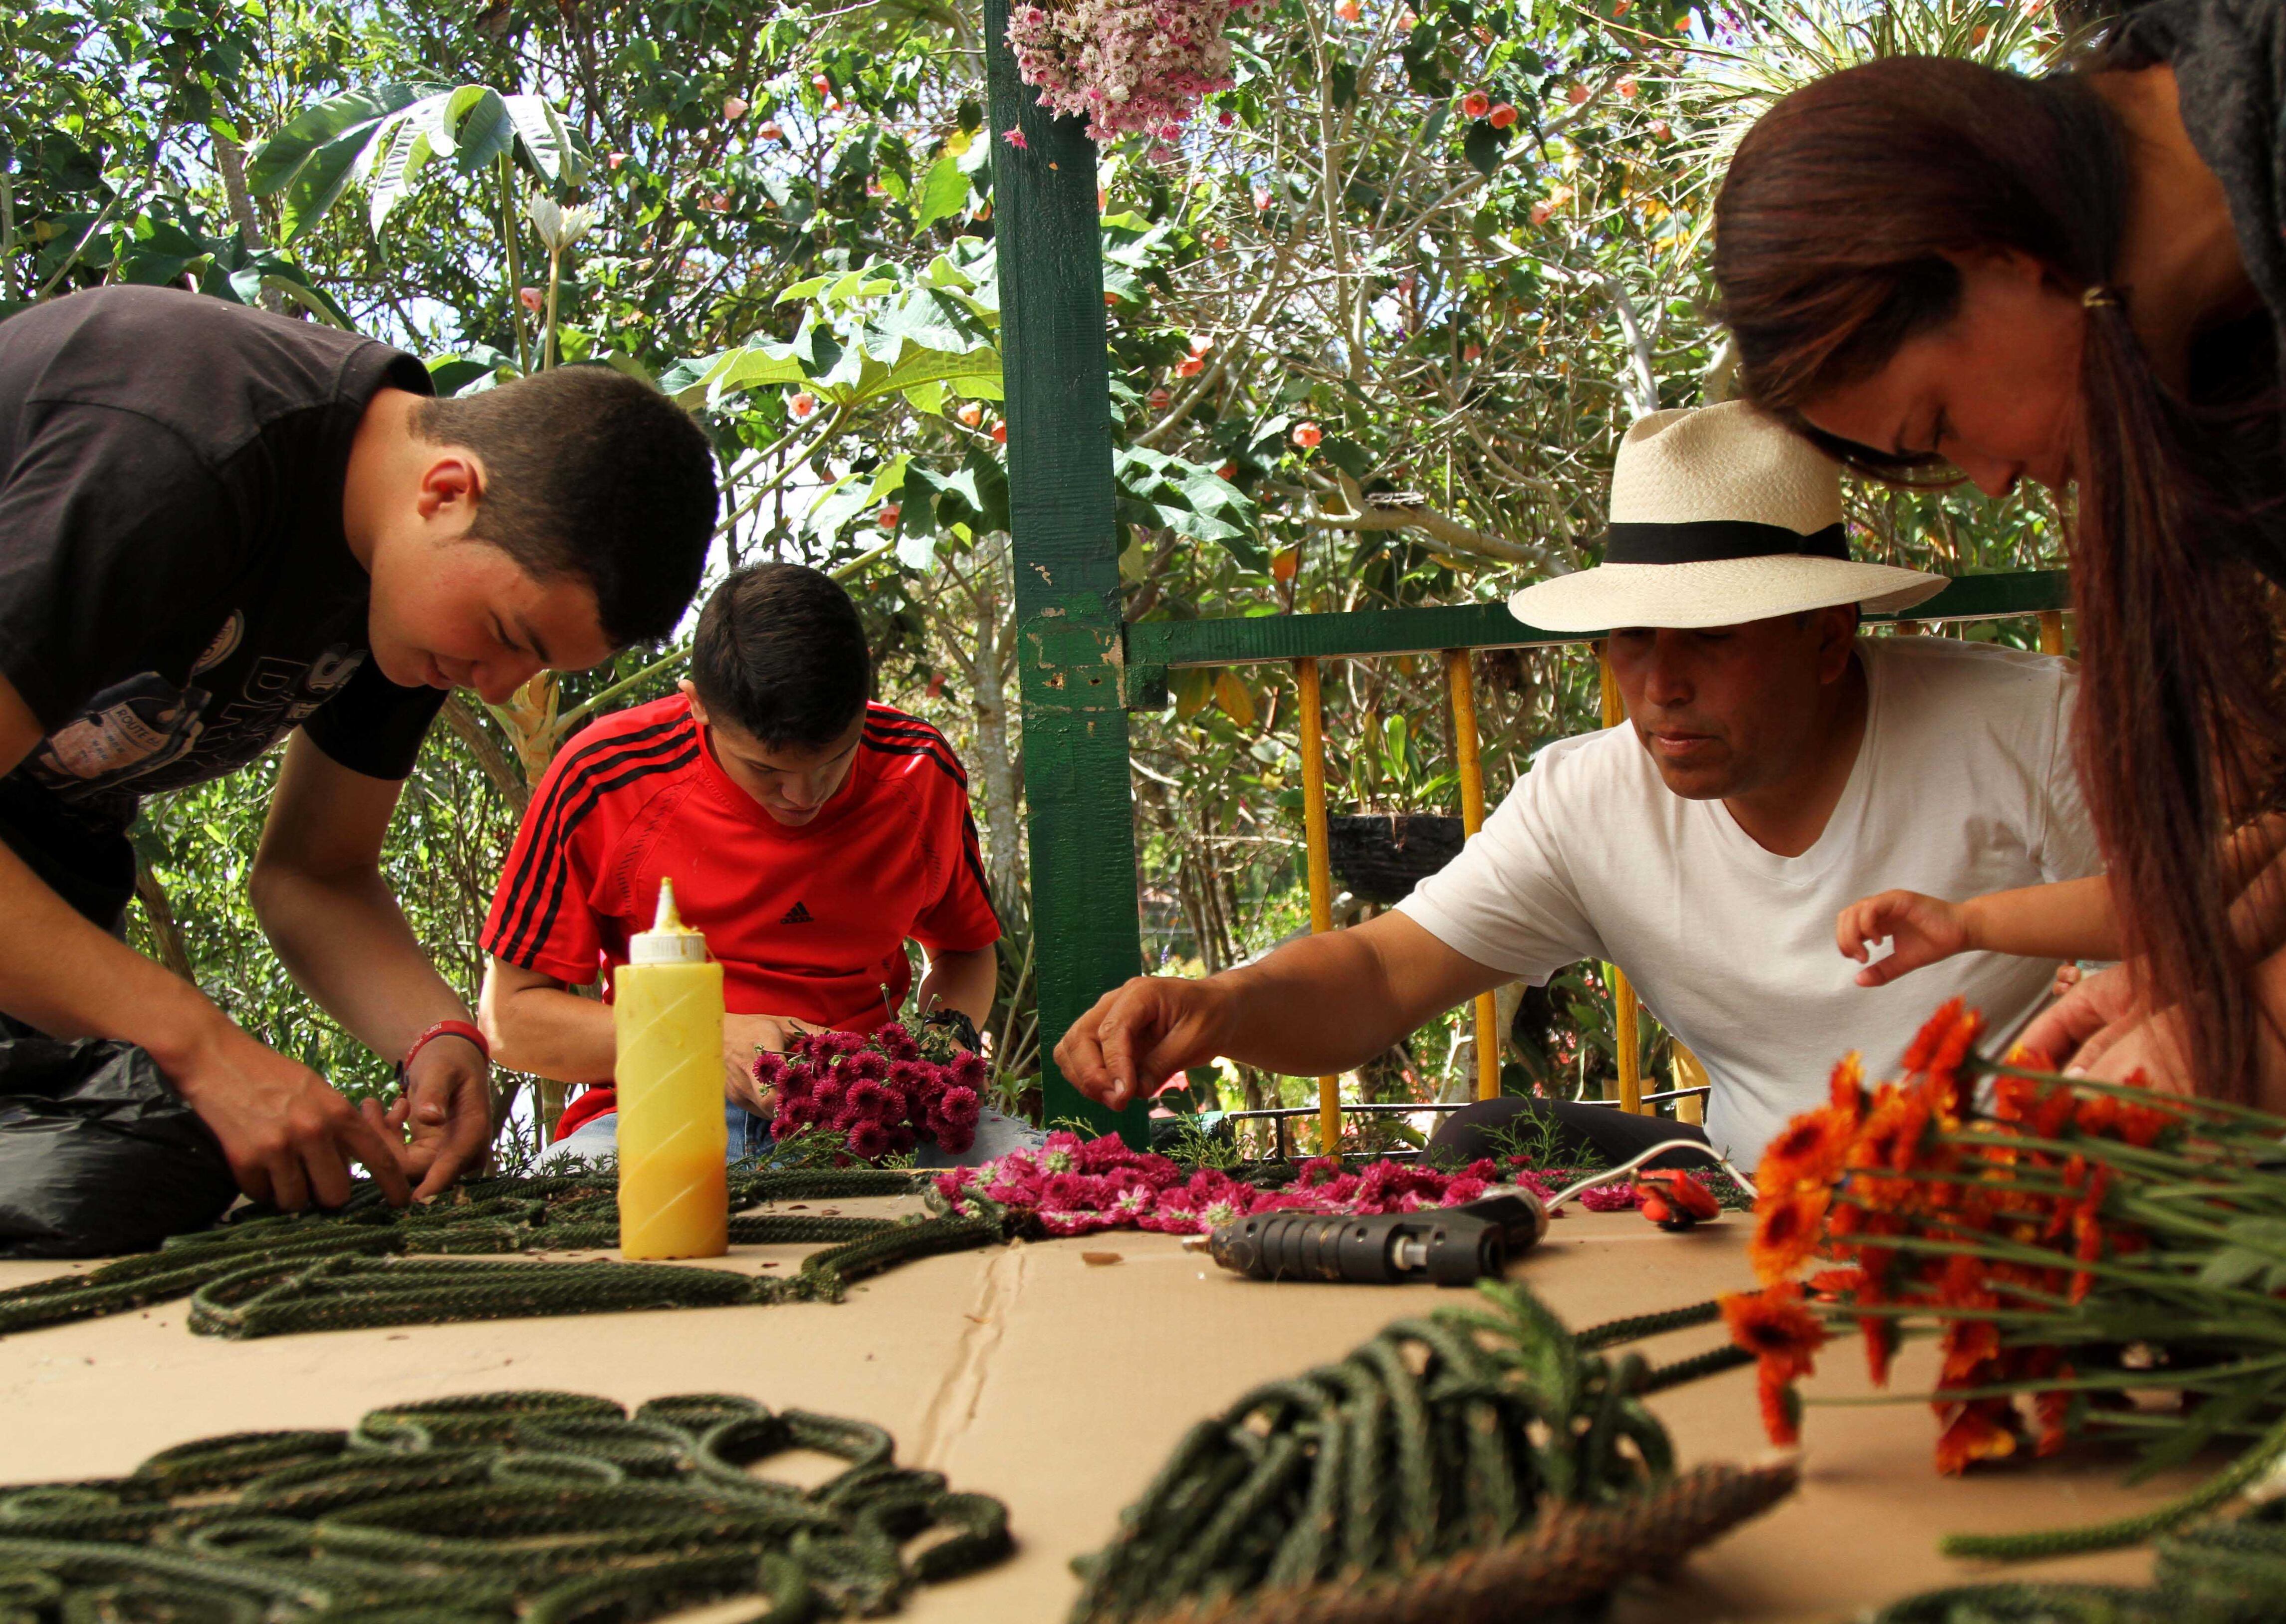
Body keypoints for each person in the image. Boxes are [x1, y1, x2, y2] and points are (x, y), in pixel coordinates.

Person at [1710, 3, 2286, 1114]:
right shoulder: (2201, 363)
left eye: (1936, 422)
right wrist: (2208, 958)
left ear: (1989, 252)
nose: (1984, 479)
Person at [1055, 403, 2100, 1169]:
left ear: (1829, 639)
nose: (1659, 683)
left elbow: (2209, 936)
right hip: (1750, 1195)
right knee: (1483, 1136)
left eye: (1710, 640)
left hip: (2018, 1189)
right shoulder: (1590, 799)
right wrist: (1221, 1002)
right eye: (1630, 638)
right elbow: (1378, 974)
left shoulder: (2033, 731)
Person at [0, 285, 715, 1211]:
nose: (497, 684)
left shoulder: (407, 588)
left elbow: (316, 874)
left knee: (148, 1187)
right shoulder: (182, 450)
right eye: (507, 634)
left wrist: (439, 1037)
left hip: (45, 883)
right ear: (447, 490)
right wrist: (203, 1046)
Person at [479, 562, 1027, 1167]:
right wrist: (697, 1040)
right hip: (660, 1109)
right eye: (766, 771)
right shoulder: (606, 776)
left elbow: (965, 950)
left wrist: (934, 1048)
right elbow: (509, 1018)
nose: (804, 796)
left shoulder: (918, 769)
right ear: (697, 707)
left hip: (871, 1117)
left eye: (834, 760)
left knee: (1058, 1194)